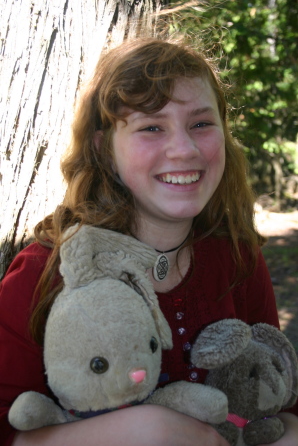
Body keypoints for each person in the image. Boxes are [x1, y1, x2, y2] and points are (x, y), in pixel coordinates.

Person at [1, 37, 297, 446]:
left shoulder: (238, 258)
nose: (184, 149)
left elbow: (275, 397)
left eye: (201, 123)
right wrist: (136, 431)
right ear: (104, 150)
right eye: (152, 127)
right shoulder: (45, 273)